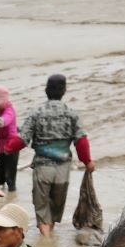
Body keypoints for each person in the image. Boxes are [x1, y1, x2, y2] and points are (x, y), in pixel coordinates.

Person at [22, 74, 93, 236]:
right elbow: (81, 141)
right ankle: (49, 237)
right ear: (64, 90)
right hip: (63, 169)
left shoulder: (36, 113)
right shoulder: (71, 113)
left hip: (42, 168)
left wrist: (7, 149)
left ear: (46, 90)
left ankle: (46, 243)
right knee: (55, 208)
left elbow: (22, 140)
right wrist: (88, 162)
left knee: (42, 208)